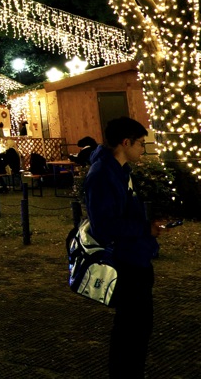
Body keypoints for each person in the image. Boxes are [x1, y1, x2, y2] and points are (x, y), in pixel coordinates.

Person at [84, 117, 162, 379]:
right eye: (141, 143)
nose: (143, 149)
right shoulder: (102, 175)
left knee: (136, 328)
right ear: (125, 143)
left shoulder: (119, 170)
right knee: (131, 329)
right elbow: (104, 225)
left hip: (135, 256)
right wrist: (144, 229)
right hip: (125, 261)